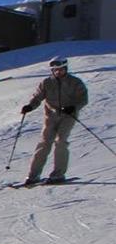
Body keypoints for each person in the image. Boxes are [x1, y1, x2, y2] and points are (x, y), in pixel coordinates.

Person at [20, 56, 91, 186]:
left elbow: (83, 99)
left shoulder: (75, 82)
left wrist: (73, 108)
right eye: (55, 70)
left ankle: (58, 174)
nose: (58, 72)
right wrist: (30, 106)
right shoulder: (47, 82)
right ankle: (33, 175)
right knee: (44, 143)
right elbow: (37, 97)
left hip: (68, 116)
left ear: (66, 69)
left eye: (61, 70)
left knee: (61, 141)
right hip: (51, 116)